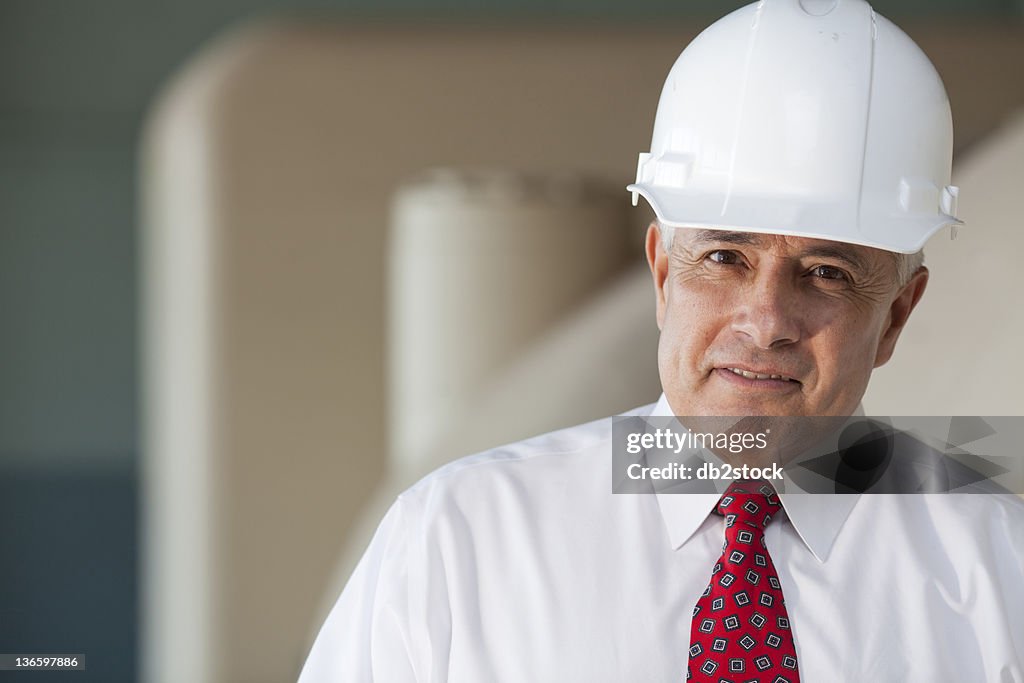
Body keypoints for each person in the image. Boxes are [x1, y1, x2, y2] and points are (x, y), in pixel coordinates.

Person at [298, 0, 1024, 680]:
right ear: (661, 275)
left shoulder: (1000, 567)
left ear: (896, 313)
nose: (766, 320)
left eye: (827, 273)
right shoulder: (457, 542)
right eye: (724, 258)